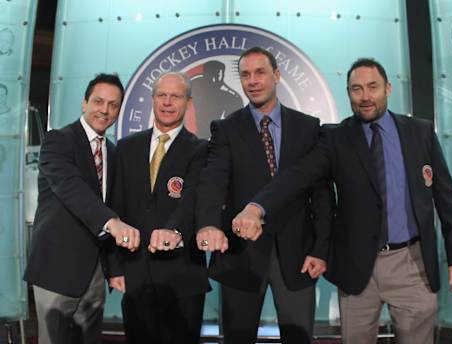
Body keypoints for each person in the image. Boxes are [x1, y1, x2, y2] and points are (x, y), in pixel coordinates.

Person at [233, 58, 452, 344]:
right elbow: (297, 176)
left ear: (388, 88)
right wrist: (256, 207)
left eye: (373, 87)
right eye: (356, 89)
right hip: (358, 269)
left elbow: (446, 199)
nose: (365, 96)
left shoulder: (419, 132)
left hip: (412, 265)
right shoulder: (335, 138)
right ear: (348, 93)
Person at [195, 47, 333, 344]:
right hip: (240, 256)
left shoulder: (308, 128)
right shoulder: (225, 128)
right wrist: (208, 224)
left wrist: (321, 249)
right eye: (245, 75)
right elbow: (213, 181)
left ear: (277, 76)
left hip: (298, 255)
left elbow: (321, 195)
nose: (252, 81)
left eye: (260, 73)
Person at [24, 73, 141, 344]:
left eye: (113, 104)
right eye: (98, 101)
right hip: (57, 269)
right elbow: (71, 187)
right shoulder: (58, 141)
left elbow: (113, 204)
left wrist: (113, 268)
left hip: (95, 274)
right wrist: (112, 223)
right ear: (84, 103)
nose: (105, 110)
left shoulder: (112, 151)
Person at [107, 72, 210, 344]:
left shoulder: (201, 150)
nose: (167, 102)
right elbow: (115, 207)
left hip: (183, 275)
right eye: (161, 95)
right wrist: (115, 267)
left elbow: (193, 200)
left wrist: (173, 230)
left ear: (188, 102)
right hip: (135, 273)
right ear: (152, 99)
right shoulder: (126, 147)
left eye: (175, 96)